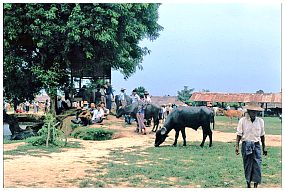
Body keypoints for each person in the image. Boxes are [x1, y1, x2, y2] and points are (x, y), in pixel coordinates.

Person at [235, 102, 267, 188]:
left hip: (256, 146)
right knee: (247, 165)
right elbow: (239, 134)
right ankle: (248, 184)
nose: (253, 113)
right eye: (251, 111)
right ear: (248, 111)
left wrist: (264, 147)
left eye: (255, 111)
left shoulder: (260, 121)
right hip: (246, 145)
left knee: (257, 165)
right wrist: (237, 146)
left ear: (257, 112)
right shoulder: (242, 121)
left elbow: (262, 135)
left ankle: (255, 186)